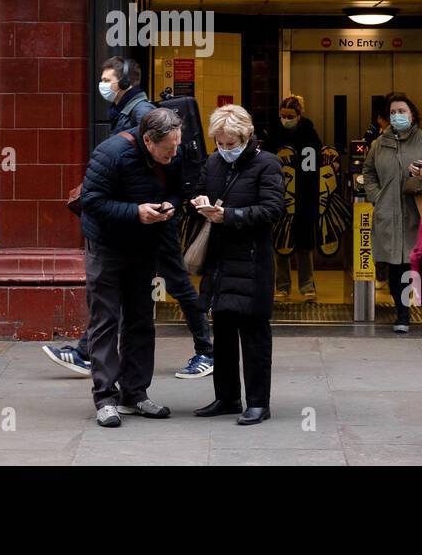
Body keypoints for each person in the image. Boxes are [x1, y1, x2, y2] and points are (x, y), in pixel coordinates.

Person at [43, 57, 214, 380]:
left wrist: (164, 205)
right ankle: (85, 351)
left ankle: (206, 349)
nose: (103, 84)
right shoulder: (126, 112)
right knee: (142, 287)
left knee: (175, 282)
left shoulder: (142, 115)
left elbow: (162, 171)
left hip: (152, 220)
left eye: (108, 79)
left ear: (125, 83)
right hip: (141, 218)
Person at [78, 107, 185, 427]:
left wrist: (171, 206)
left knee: (141, 321)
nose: (174, 153)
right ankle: (105, 398)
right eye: (168, 149)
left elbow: (179, 191)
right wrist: (135, 212)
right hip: (107, 247)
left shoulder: (173, 155)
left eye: (177, 145)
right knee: (106, 321)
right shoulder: (110, 153)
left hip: (143, 246)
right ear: (148, 141)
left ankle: (135, 394)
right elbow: (92, 201)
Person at [191, 105, 284, 425]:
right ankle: (227, 397)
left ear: (246, 136)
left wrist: (230, 216)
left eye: (231, 143)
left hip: (252, 259)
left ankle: (258, 402)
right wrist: (199, 202)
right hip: (220, 258)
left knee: (255, 331)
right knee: (224, 330)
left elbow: (272, 210)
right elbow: (200, 189)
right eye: (220, 143)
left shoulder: (267, 164)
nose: (225, 149)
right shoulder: (213, 162)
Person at [363, 92, 422, 333]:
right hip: (389, 211)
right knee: (396, 265)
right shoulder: (379, 144)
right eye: (392, 112)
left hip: (418, 213)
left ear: (412, 114)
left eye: (402, 111)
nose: (397, 116)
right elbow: (368, 172)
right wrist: (376, 195)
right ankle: (402, 314)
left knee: (421, 263)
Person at [264, 94, 322, 301]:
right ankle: (282, 286)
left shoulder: (310, 135)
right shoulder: (274, 135)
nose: (285, 119)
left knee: (304, 244)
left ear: (299, 115)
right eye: (283, 115)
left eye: (290, 116)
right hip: (280, 196)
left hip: (304, 196)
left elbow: (315, 168)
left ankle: (307, 286)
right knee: (280, 243)